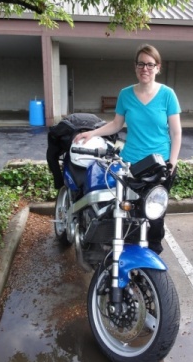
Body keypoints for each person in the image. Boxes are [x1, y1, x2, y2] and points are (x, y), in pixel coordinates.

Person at [74, 43, 182, 254]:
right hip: (130, 163)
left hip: (160, 164)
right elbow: (116, 124)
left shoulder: (168, 95)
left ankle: (152, 257)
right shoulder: (125, 94)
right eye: (141, 64)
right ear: (135, 67)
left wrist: (173, 163)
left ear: (158, 68)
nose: (145, 69)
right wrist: (92, 133)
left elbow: (176, 132)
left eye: (150, 65)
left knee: (154, 214)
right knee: (127, 210)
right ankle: (129, 253)